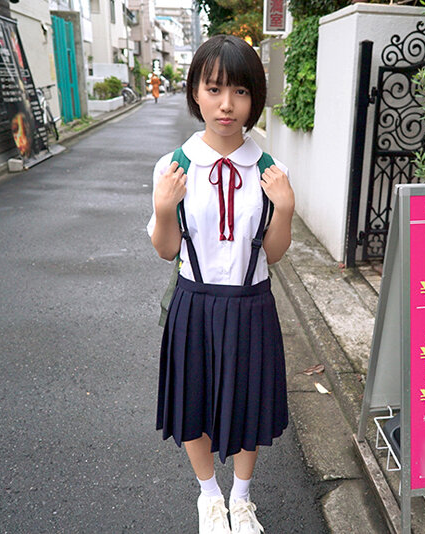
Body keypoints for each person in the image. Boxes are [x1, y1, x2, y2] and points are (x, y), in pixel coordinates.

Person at [146, 35, 294, 534]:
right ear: (196, 93)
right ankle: (209, 497)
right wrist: (164, 207)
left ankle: (242, 498)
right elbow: (166, 249)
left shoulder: (272, 171)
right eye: (214, 89)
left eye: (240, 91)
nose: (226, 104)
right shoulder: (174, 167)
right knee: (195, 401)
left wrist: (285, 210)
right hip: (194, 303)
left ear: (255, 98)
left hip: (252, 304)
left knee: (248, 402)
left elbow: (274, 253)